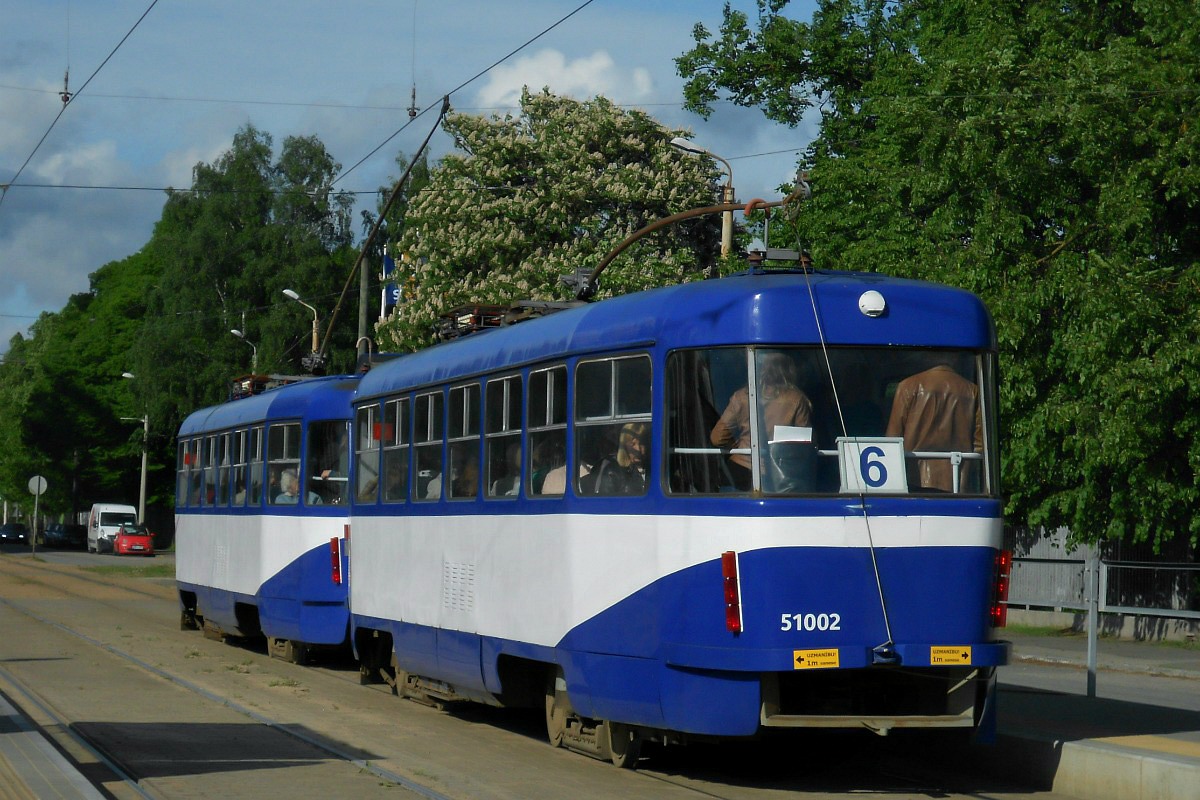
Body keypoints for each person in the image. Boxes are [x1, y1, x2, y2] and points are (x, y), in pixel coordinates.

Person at [710, 352, 813, 490]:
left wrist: (740, 447)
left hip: (738, 470)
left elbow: (717, 438)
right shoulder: (797, 399)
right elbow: (803, 444)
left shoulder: (741, 397)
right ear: (788, 368)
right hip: (778, 473)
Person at [885, 360, 983, 492]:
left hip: (913, 480)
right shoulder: (972, 391)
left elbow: (891, 442)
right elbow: (980, 445)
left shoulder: (907, 386)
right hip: (956, 482)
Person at [587, 421, 649, 496]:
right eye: (633, 443)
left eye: (642, 443)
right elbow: (600, 502)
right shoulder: (609, 468)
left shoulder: (650, 468)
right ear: (624, 444)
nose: (638, 449)